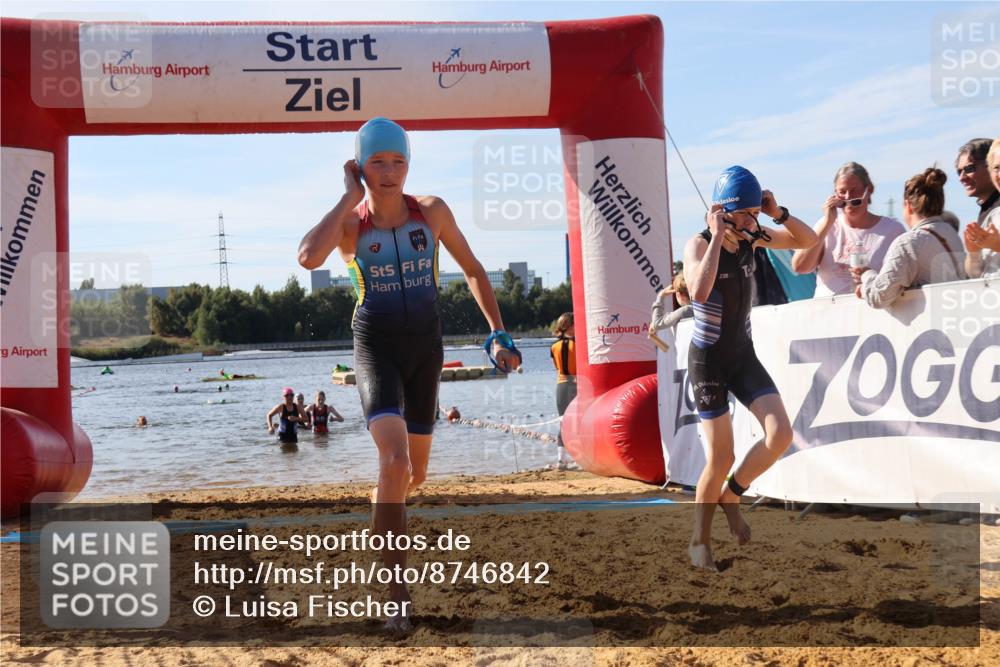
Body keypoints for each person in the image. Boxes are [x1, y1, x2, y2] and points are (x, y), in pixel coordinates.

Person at [297, 117, 520, 631]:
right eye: (378, 162)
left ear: (409, 165)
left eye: (398, 161)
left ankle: (382, 505)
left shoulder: (432, 213)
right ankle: (396, 596)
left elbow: (473, 269)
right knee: (394, 460)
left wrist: (498, 332)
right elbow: (308, 257)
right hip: (376, 349)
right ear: (360, 166)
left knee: (412, 476)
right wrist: (346, 196)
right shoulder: (352, 224)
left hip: (426, 353)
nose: (390, 171)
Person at [682, 165, 818, 571]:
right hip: (708, 361)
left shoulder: (753, 238)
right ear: (722, 212)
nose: (751, 221)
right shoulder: (698, 244)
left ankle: (733, 495)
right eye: (745, 214)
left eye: (755, 213)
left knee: (781, 434)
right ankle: (698, 541)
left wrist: (779, 213)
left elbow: (808, 243)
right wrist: (718, 236)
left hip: (741, 355)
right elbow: (699, 290)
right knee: (720, 456)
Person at [790, 162, 905, 296]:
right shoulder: (826, 225)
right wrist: (827, 223)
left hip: (872, 308)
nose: (848, 197)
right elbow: (800, 266)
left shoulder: (892, 229)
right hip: (828, 310)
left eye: (854, 190)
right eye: (842, 192)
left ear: (869, 190)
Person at [857, 167, 966, 307]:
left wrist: (866, 275)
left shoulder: (908, 243)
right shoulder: (951, 234)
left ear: (908, 206)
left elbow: (879, 297)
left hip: (930, 324)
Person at [964, 136, 1000, 279]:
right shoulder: (994, 216)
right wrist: (974, 252)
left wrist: (997, 245)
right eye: (996, 168)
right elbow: (974, 274)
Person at [549, 312, 576, 471]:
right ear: (570, 326)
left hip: (561, 385)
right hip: (577, 384)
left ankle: (561, 460)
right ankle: (583, 457)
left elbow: (556, 367)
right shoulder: (580, 344)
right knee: (581, 422)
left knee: (563, 423)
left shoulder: (553, 346)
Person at [649, 272, 693, 351]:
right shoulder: (705, 308)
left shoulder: (685, 311)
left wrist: (660, 296)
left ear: (679, 295)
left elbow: (657, 324)